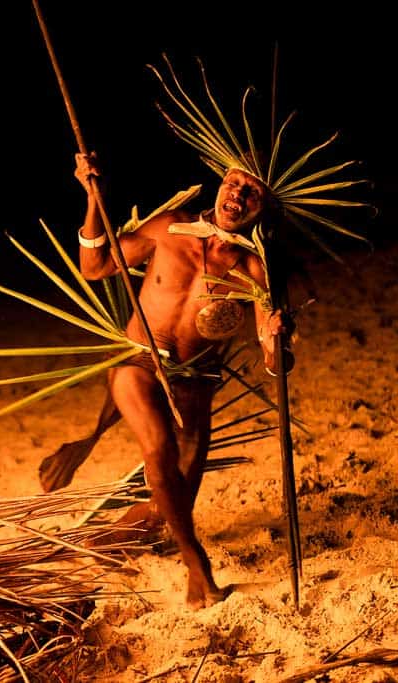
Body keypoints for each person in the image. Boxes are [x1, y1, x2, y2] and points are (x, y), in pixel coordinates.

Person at [73, 151, 292, 609]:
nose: (240, 194)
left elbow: (275, 362)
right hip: (138, 364)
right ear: (221, 184)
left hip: (196, 380)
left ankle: (97, 542)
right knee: (158, 450)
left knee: (166, 505)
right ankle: (198, 566)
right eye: (235, 183)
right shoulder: (170, 228)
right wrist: (94, 199)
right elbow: (95, 267)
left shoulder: (254, 269)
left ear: (262, 208)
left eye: (253, 192)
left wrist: (278, 340)